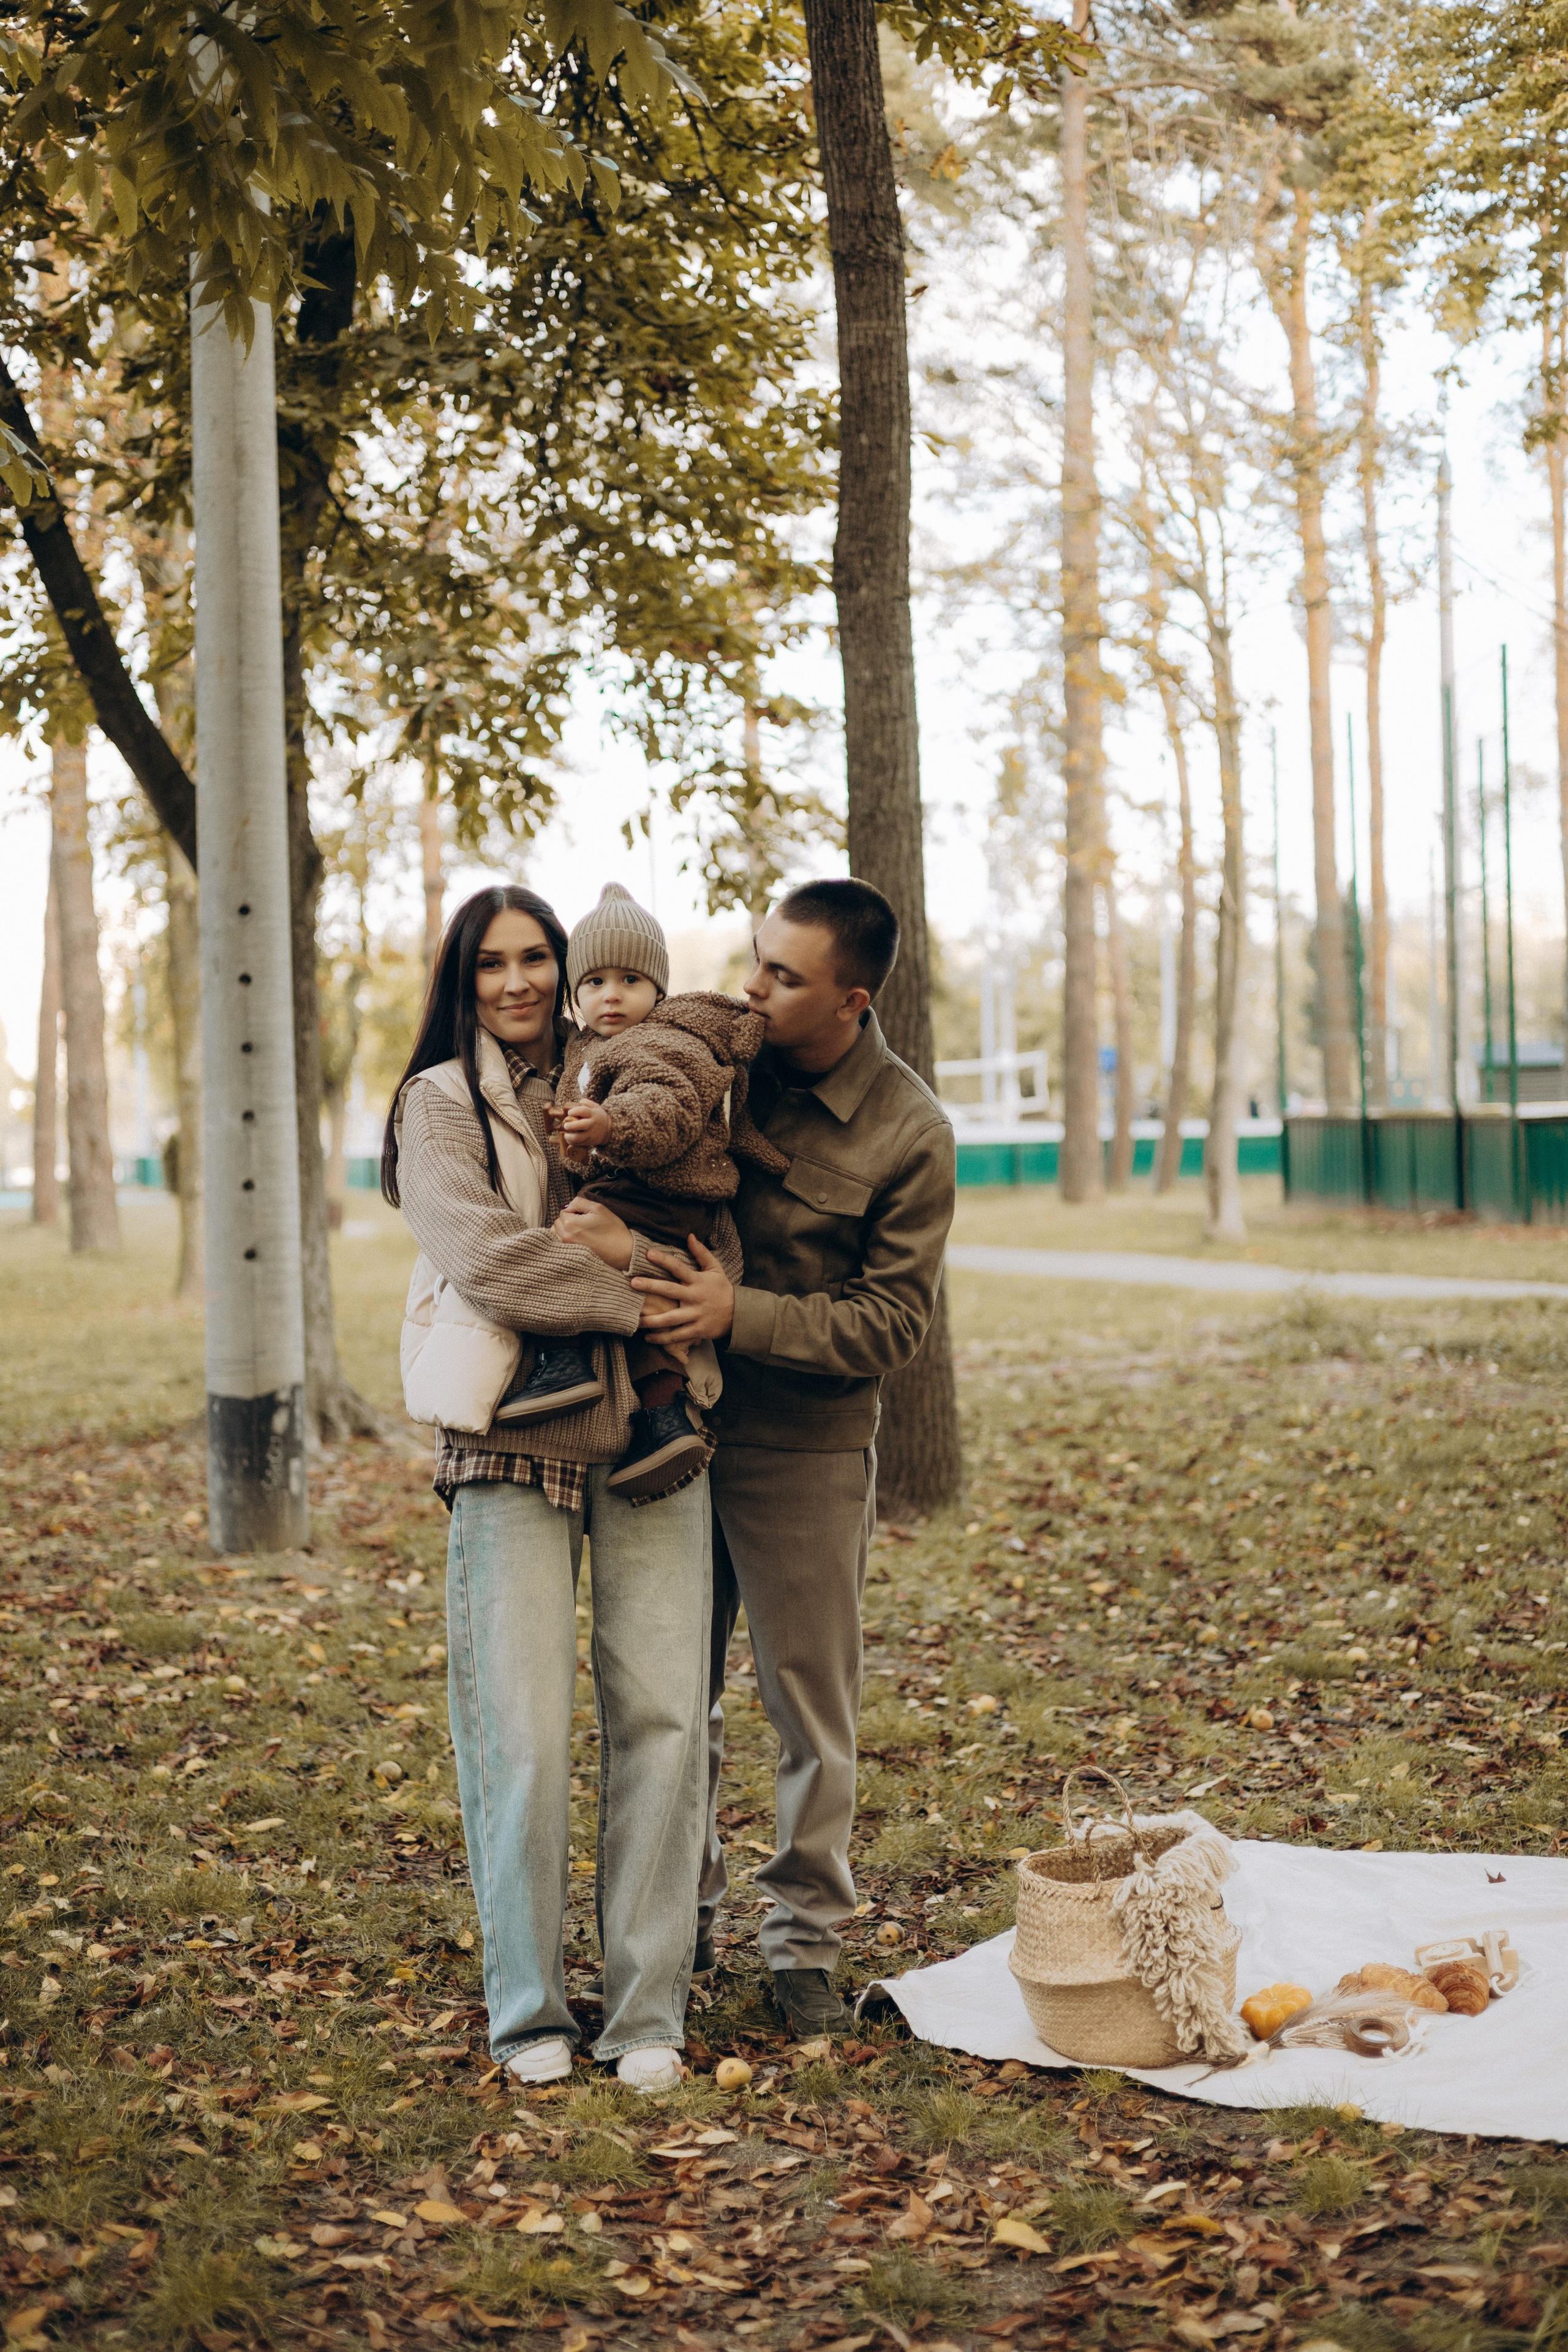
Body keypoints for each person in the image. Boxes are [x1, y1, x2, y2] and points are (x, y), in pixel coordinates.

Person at [382, 883, 731, 2093]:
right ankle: (527, 2010)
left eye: (540, 959)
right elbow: (480, 1257)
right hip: (505, 1442)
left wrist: (653, 1275)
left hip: (652, 1432)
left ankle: (645, 2013)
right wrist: (642, 1303)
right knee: (519, 1732)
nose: (520, 983)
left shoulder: (632, 1081)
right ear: (462, 980)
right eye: (494, 964)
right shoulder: (436, 1104)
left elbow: (709, 1225)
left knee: (664, 1720)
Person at [633, 878, 957, 2036]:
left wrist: (741, 1314)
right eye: (757, 959)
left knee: (807, 1707)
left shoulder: (910, 1132)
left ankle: (802, 1948)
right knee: (672, 1698)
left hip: (804, 1451)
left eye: (785, 976)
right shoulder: (717, 1061)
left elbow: (891, 1326)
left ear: (853, 1000)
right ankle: (678, 1924)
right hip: (669, 1434)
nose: (753, 987)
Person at [494, 881, 787, 1503]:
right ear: (575, 995)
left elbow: (668, 1106)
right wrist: (577, 1145)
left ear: (658, 989)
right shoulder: (588, 1049)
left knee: (562, 1244)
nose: (612, 995)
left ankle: (562, 1358)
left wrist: (609, 1124)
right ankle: (664, 1417)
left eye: (630, 979)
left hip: (670, 1190)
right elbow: (591, 1140)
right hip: (642, 1187)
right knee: (638, 1303)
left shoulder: (660, 1039)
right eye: (594, 982)